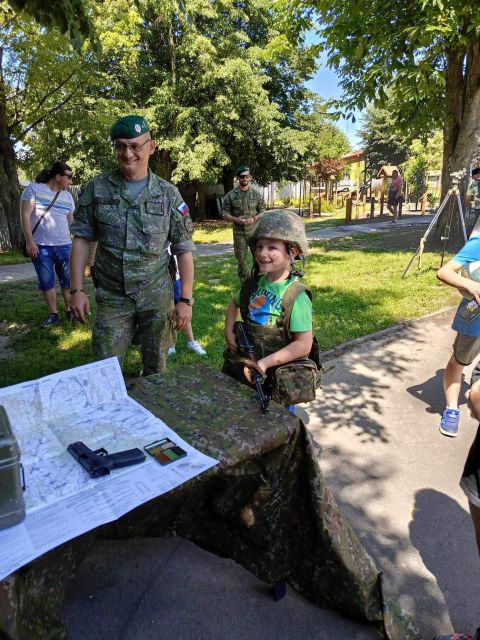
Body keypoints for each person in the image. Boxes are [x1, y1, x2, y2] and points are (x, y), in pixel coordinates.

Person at [69, 115, 195, 375]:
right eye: (120, 146)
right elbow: (81, 239)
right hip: (112, 295)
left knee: (156, 368)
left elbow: (183, 249)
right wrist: (76, 290)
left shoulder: (168, 194)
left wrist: (185, 299)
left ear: (151, 147)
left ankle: (151, 400)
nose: (128, 154)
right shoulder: (97, 189)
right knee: (104, 369)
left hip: (156, 295)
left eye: (136, 146)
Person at [222, 209, 316, 408]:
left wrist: (264, 364)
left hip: (278, 380)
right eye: (259, 246)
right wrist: (229, 331)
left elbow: (303, 345)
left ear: (293, 251)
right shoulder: (253, 285)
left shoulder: (296, 295)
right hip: (248, 368)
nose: (262, 253)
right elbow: (234, 303)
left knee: (278, 420)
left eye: (272, 247)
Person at [20, 161, 75, 327]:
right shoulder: (33, 189)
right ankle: (53, 315)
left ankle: (70, 312)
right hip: (40, 246)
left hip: (65, 245)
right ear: (58, 176)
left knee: (67, 282)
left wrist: (81, 237)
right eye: (69, 177)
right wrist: (30, 241)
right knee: (46, 283)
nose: (71, 181)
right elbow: (24, 216)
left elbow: (71, 220)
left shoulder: (68, 196)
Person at [437, 235, 480, 436]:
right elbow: (444, 272)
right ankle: (452, 409)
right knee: (459, 361)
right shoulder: (478, 243)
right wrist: (471, 285)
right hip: (475, 320)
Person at [222, 164, 265, 282]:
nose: (245, 179)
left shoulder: (256, 195)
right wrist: (236, 219)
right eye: (242, 177)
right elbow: (224, 214)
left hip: (254, 232)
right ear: (238, 178)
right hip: (239, 233)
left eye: (247, 176)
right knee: (241, 261)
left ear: (250, 177)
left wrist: (254, 219)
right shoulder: (230, 196)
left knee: (260, 258)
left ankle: (259, 283)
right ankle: (245, 285)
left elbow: (262, 211)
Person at [167, 255, 206, 356]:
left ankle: (191, 341)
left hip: (174, 277)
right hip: (157, 280)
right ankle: (169, 344)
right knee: (166, 311)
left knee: (182, 311)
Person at [466, 167, 480, 236]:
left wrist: (470, 203)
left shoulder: (472, 184)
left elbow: (467, 199)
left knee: (475, 226)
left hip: (477, 207)